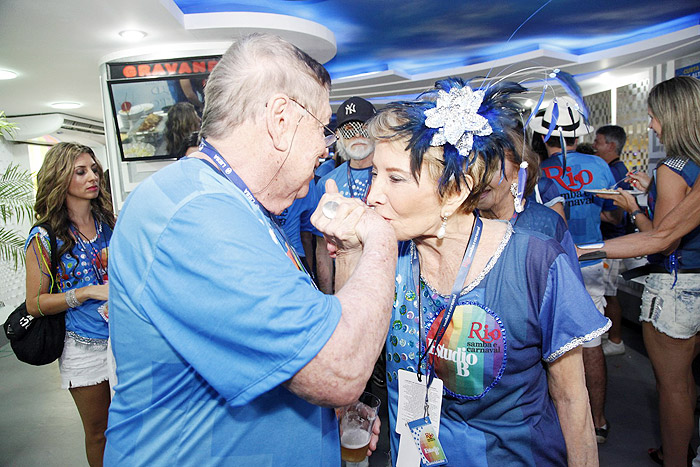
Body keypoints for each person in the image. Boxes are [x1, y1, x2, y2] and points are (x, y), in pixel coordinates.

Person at [104, 33, 397, 466]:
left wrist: (313, 422)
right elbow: (340, 368)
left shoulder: (241, 206)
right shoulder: (196, 213)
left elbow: (278, 346)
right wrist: (382, 242)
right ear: (281, 119)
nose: (324, 148)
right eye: (322, 127)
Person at [363, 78, 608, 466]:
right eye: (374, 175)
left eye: (394, 178)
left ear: (455, 191)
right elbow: (349, 360)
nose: (372, 195)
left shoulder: (535, 262)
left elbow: (572, 401)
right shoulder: (385, 257)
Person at [595, 76, 700, 467]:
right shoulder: (693, 167)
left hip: (674, 284)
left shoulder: (673, 167)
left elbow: (661, 237)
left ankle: (675, 457)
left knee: (672, 386)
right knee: (688, 378)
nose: (653, 125)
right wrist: (648, 191)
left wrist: (634, 207)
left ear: (673, 118)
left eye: (655, 117)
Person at [530, 96, 621, 444]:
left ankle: (561, 423)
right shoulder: (599, 164)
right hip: (593, 262)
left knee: (552, 349)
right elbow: (614, 216)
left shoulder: (535, 170)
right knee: (592, 344)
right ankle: (597, 421)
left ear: (541, 136)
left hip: (550, 267)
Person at [24, 142, 114, 466]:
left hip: (123, 339)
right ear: (60, 178)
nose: (92, 177)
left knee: (130, 425)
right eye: (81, 171)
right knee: (99, 432)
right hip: (84, 348)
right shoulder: (44, 236)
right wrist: (88, 292)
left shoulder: (109, 223)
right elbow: (35, 303)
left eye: (94, 169)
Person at [477, 127, 581, 277]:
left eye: (490, 167)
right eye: (471, 167)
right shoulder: (459, 224)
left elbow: (569, 290)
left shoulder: (546, 223)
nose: (478, 179)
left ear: (518, 173)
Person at [315, 96, 377, 294]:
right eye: (349, 131)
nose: (357, 137)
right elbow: (322, 247)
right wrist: (328, 296)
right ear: (339, 136)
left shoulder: (394, 178)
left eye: (363, 129)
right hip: (346, 283)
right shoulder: (327, 183)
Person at [592, 125, 631, 356]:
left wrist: (586, 211)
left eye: (598, 141)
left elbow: (616, 215)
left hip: (613, 241)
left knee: (609, 294)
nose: (594, 145)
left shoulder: (614, 172)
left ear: (611, 145)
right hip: (610, 240)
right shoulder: (611, 168)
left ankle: (616, 340)